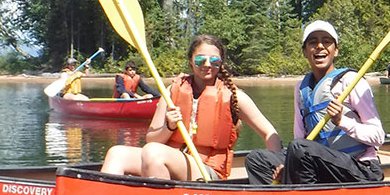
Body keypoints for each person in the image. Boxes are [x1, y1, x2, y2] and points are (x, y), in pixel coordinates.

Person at [100, 35, 283, 180]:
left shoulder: (234, 96)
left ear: (221, 63)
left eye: (214, 61)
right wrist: (169, 127)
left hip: (208, 170)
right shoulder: (173, 90)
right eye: (200, 60)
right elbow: (151, 139)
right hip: (167, 159)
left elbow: (270, 134)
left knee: (154, 153)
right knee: (117, 153)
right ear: (190, 61)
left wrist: (276, 167)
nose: (207, 65)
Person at [245, 20, 385, 185]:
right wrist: (288, 164)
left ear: (336, 50)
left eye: (326, 41)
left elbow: (378, 137)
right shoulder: (301, 89)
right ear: (305, 51)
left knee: (300, 148)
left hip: (360, 167)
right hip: (320, 165)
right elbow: (300, 138)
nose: (320, 46)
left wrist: (342, 121)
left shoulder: (351, 81)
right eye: (313, 42)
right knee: (257, 159)